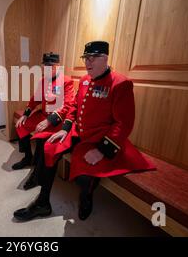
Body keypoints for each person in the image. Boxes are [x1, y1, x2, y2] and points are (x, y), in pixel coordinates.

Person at [13, 41, 156, 221]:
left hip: (100, 138)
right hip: (77, 131)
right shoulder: (84, 80)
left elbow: (124, 123)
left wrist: (102, 150)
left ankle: (86, 196)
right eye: (86, 58)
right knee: (50, 146)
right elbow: (74, 106)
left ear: (105, 58)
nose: (88, 62)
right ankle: (43, 203)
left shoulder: (121, 84)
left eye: (93, 58)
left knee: (84, 177)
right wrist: (65, 129)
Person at [13, 53, 75, 190]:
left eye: (50, 66)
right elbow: (35, 99)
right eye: (45, 65)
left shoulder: (66, 81)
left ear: (57, 66)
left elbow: (68, 105)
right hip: (42, 114)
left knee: (41, 139)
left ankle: (37, 175)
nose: (46, 68)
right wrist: (26, 114)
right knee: (21, 125)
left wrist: (50, 120)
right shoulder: (43, 81)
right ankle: (27, 157)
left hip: (56, 119)